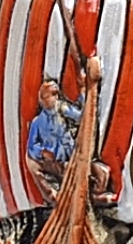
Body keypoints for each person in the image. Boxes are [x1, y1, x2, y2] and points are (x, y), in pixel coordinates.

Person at [26, 78, 117, 207]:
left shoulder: (62, 109)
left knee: (103, 172)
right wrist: (43, 152)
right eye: (52, 94)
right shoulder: (37, 123)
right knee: (74, 177)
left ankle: (93, 198)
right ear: (43, 99)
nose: (56, 97)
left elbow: (80, 116)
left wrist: (84, 93)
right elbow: (31, 147)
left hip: (76, 156)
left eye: (56, 94)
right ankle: (92, 200)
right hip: (59, 163)